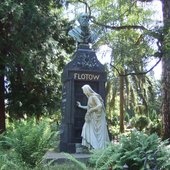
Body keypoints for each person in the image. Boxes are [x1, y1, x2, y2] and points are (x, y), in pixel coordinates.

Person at [77, 84, 110, 149]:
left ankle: (98, 147)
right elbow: (89, 107)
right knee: (86, 128)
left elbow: (99, 105)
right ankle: (94, 145)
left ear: (87, 90)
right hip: (92, 117)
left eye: (84, 90)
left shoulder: (94, 96)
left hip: (97, 117)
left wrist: (91, 110)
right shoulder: (89, 98)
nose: (83, 92)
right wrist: (80, 106)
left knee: (96, 132)